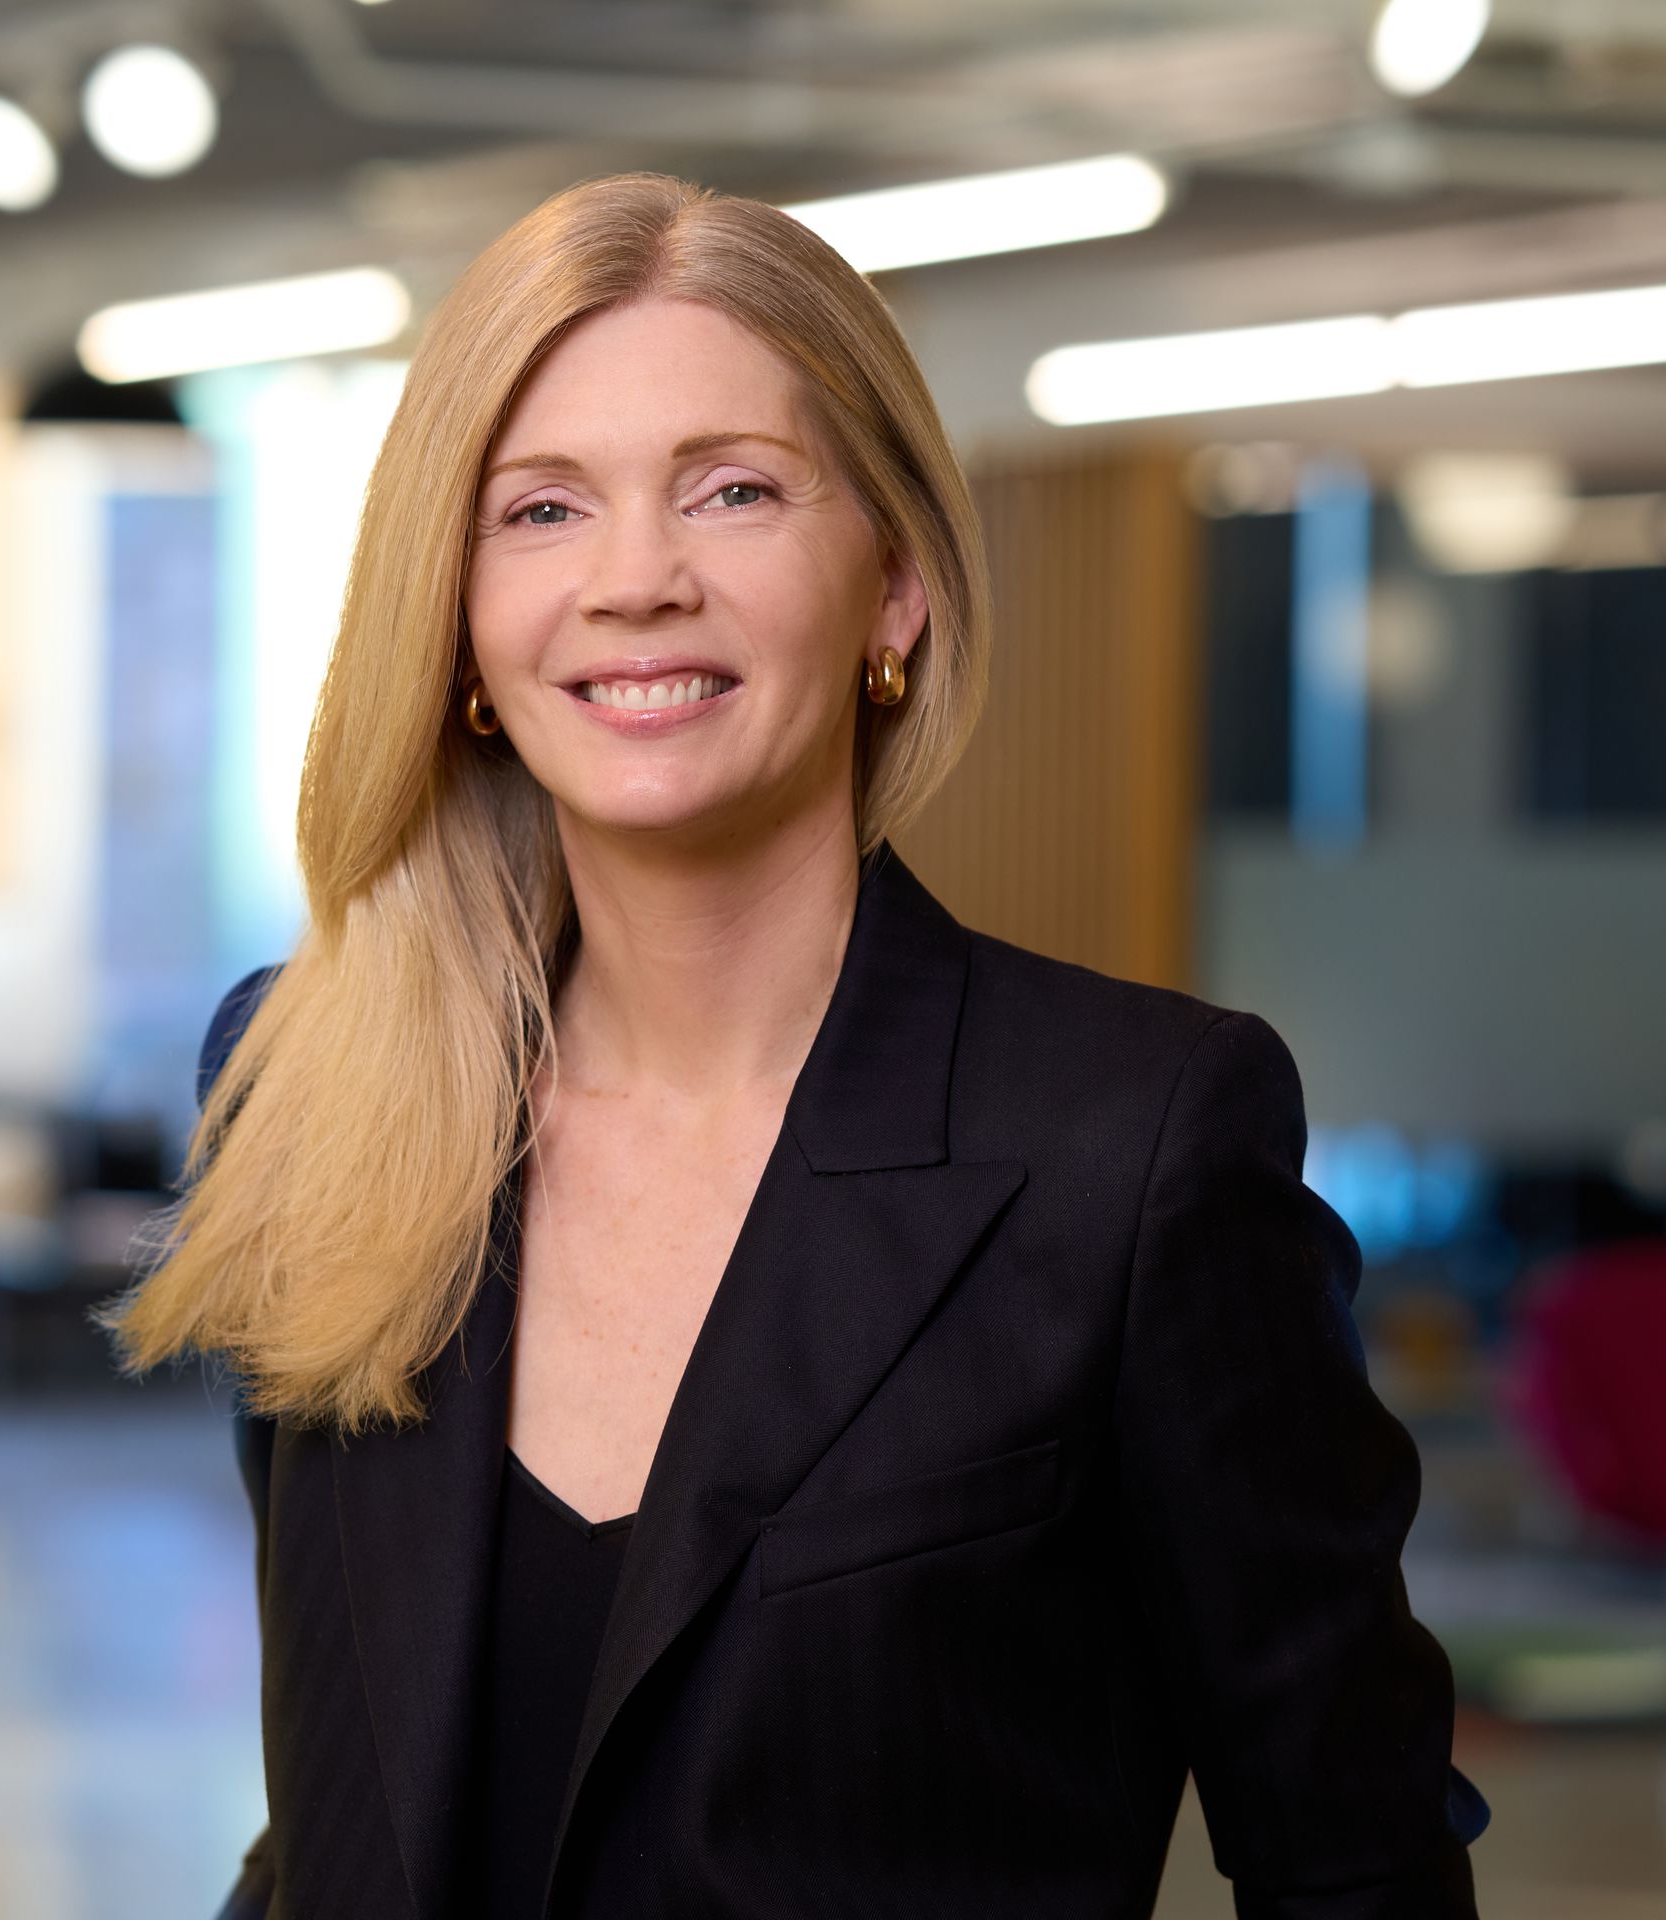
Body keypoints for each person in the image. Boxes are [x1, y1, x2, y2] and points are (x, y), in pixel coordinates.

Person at [97, 171, 1491, 1919]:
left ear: (894, 586)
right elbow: (324, 1830)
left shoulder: (1129, 1148)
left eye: (733, 491)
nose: (633, 581)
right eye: (540, 511)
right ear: (455, 620)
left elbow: (1350, 1866)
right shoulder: (304, 1093)